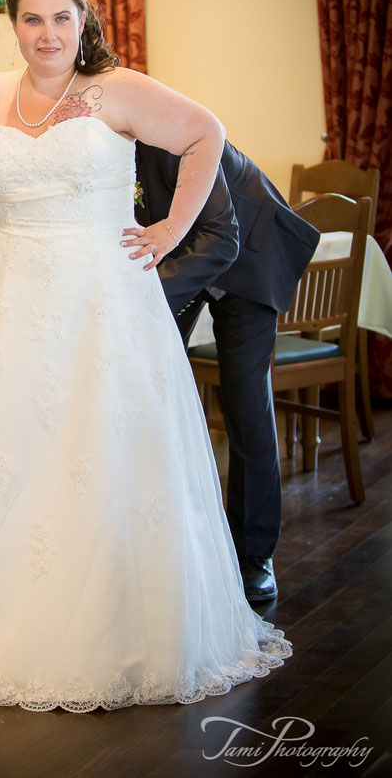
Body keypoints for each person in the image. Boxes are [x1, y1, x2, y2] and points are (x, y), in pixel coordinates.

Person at [0, 0, 291, 711]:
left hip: (104, 297)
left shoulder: (116, 90)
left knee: (102, 444)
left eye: (61, 19)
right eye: (33, 20)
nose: (47, 34)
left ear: (83, 22)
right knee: (14, 449)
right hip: (15, 299)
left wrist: (167, 230)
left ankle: (124, 621)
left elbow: (205, 134)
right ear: (15, 25)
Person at [134, 143, 320, 603]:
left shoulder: (163, 130)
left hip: (249, 248)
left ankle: (254, 555)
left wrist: (146, 298)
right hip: (183, 252)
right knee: (146, 382)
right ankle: (164, 537)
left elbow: (220, 236)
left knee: (245, 400)